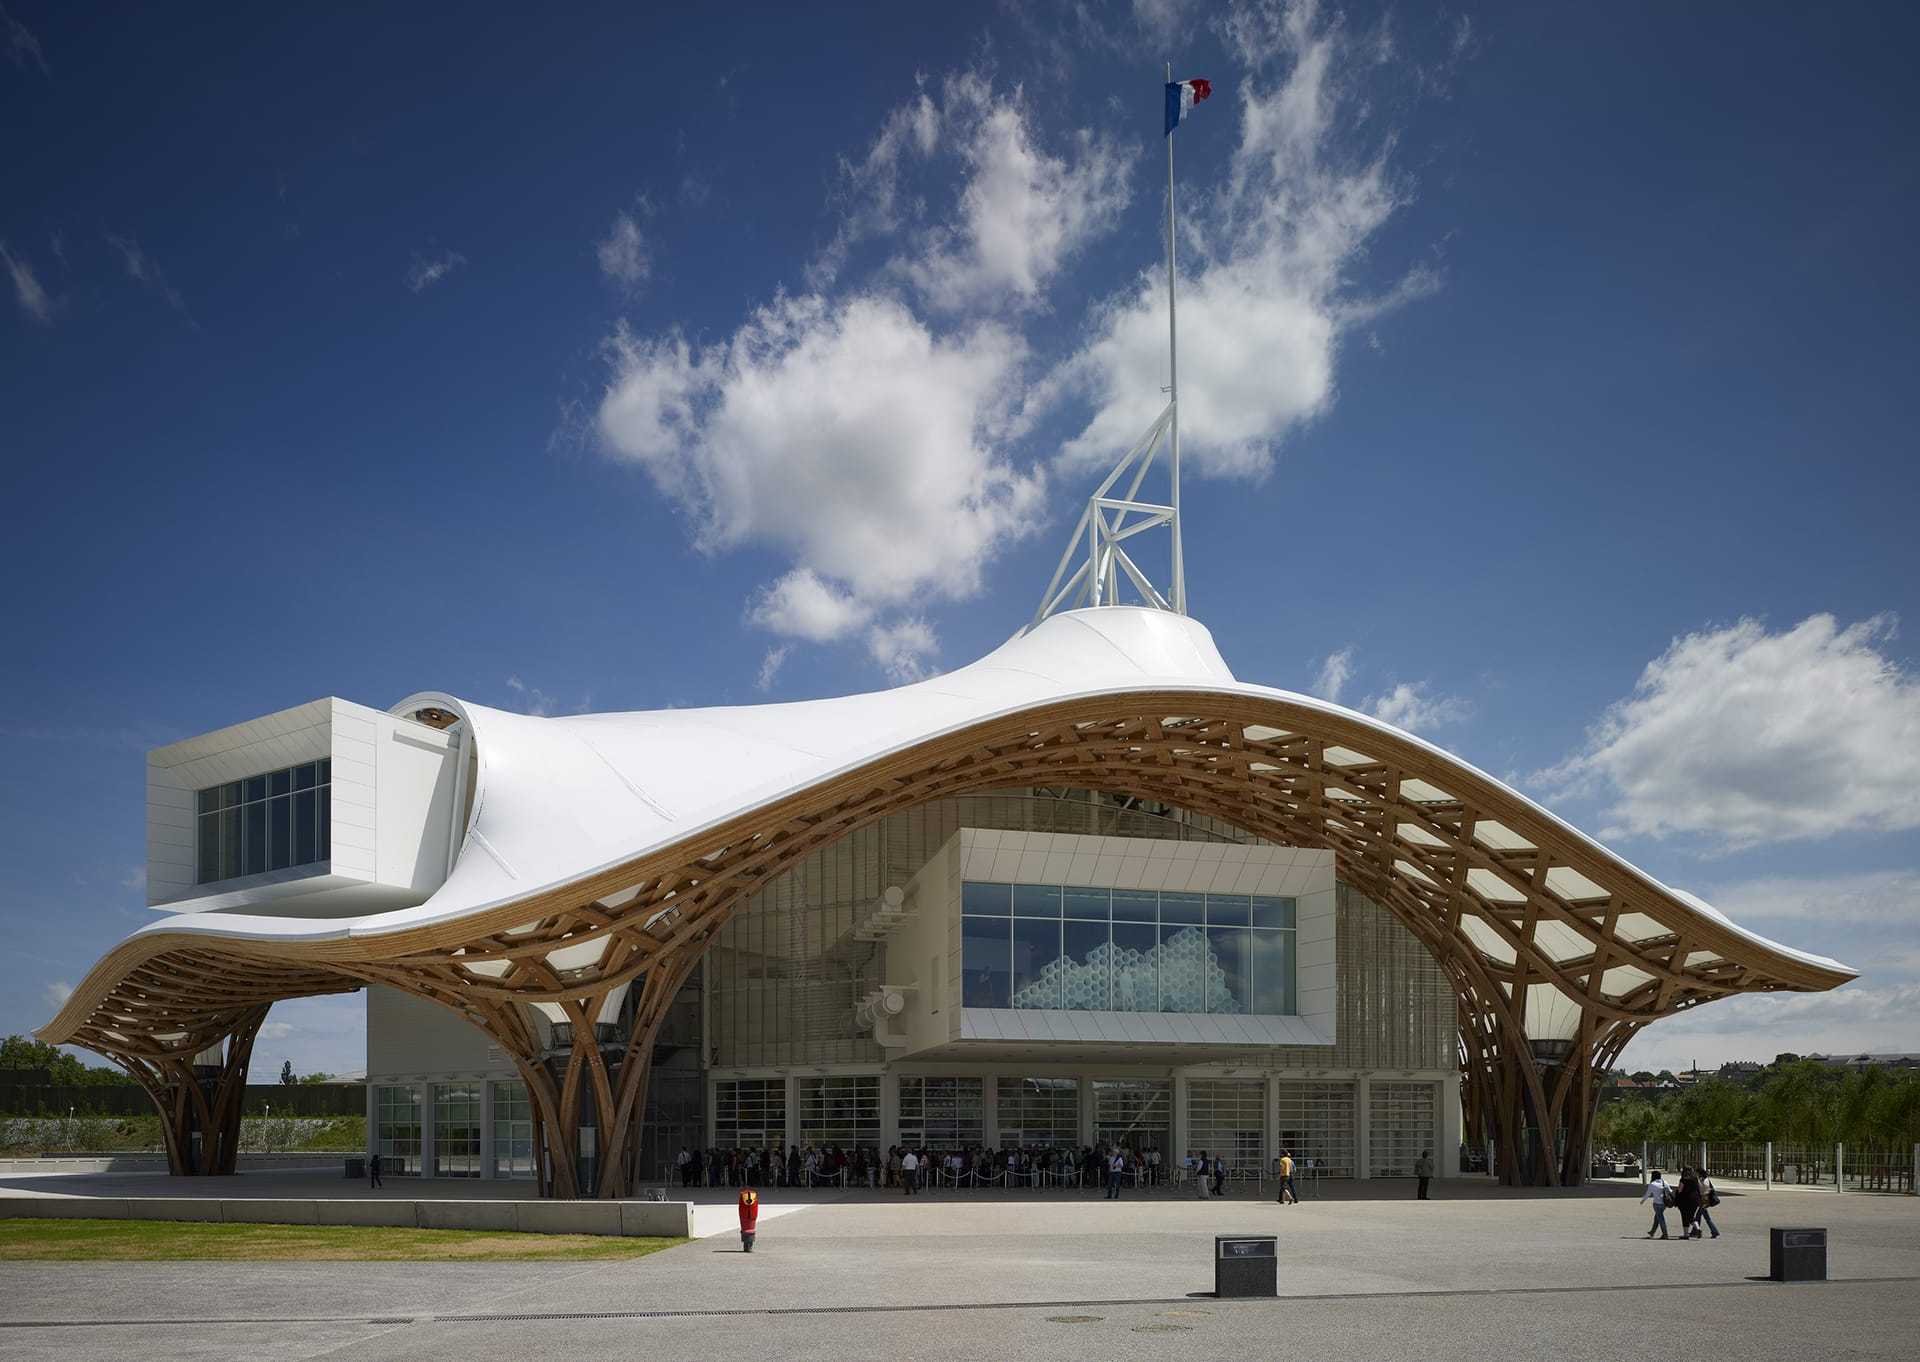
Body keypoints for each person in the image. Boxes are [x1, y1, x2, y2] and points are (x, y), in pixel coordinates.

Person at [1641, 1169, 1672, 1239]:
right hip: (1664, 1203)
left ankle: (1665, 1234)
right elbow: (1670, 1191)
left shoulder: (1652, 1184)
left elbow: (1647, 1194)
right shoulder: (1664, 1182)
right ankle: (1652, 1232)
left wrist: (1643, 1201)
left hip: (1657, 1204)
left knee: (1660, 1218)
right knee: (1657, 1217)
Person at [1674, 1167, 1703, 1239]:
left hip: (1684, 1200)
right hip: (1695, 1200)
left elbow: (1680, 1190)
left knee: (1685, 1216)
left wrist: (1676, 1194)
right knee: (1691, 1216)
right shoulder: (1695, 1179)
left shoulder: (1683, 1179)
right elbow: (1700, 1188)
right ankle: (1697, 1229)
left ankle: (1687, 1234)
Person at [1693, 1169, 1722, 1239]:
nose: (1695, 1174)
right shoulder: (1706, 1179)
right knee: (1698, 1216)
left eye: (1696, 1173)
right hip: (1705, 1200)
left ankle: (1714, 1231)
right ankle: (1695, 1231)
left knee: (1706, 1218)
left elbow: (1700, 1189)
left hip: (1703, 1200)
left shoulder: (1701, 1180)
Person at [738, 1185, 759, 1253]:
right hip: (752, 1215)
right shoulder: (753, 1196)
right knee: (750, 1228)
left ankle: (746, 1245)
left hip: (744, 1215)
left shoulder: (743, 1196)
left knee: (746, 1228)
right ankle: (749, 1245)